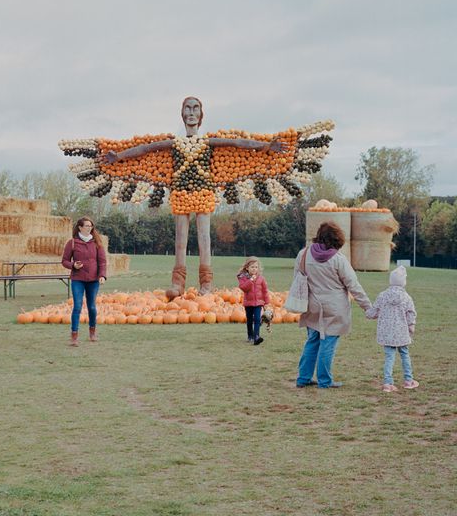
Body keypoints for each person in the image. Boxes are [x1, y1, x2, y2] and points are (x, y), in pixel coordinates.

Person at [103, 96, 288, 297]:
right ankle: (178, 284)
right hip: (181, 192)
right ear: (182, 114)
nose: (191, 113)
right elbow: (146, 149)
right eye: (188, 109)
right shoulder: (175, 143)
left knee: (204, 239)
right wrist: (119, 157)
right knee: (180, 240)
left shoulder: (207, 142)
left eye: (195, 109)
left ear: (201, 115)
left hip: (203, 192)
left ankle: (206, 284)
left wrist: (266, 146)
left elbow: (237, 143)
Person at [295, 222, 372, 389]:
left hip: (312, 305)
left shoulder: (303, 254)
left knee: (312, 341)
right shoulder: (338, 260)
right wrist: (367, 307)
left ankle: (303, 378)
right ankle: (325, 381)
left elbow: (298, 278)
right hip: (334, 308)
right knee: (328, 343)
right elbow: (354, 285)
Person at [365, 265, 418, 392]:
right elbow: (411, 313)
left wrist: (368, 313)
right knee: (405, 354)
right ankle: (408, 380)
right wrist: (411, 326)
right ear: (403, 282)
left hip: (387, 333)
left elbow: (374, 312)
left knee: (389, 357)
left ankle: (388, 383)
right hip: (401, 332)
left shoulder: (383, 295)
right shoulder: (406, 297)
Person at [61, 217, 107, 347]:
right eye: (87, 226)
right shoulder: (72, 243)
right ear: (80, 227)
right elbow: (64, 261)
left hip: (93, 280)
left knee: (92, 307)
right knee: (77, 306)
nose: (89, 228)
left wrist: (102, 275)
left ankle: (92, 332)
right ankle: (74, 336)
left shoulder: (97, 243)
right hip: (77, 279)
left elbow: (102, 262)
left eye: (91, 226)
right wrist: (73, 265)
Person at [237, 257, 269, 345]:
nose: (254, 269)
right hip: (248, 303)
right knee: (250, 320)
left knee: (257, 319)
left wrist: (266, 302)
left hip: (258, 303)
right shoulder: (243, 278)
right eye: (252, 267)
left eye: (256, 267)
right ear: (247, 268)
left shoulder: (261, 278)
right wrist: (250, 280)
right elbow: (244, 288)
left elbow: (265, 291)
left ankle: (256, 337)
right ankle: (250, 336)